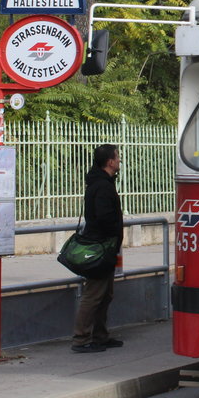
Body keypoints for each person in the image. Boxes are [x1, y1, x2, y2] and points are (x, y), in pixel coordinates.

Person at [72, 144, 124, 353]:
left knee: (105, 294)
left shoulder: (102, 182)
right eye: (117, 157)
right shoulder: (102, 186)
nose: (119, 160)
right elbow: (103, 217)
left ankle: (100, 336)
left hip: (106, 247)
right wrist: (113, 232)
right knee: (94, 295)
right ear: (110, 162)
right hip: (101, 247)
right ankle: (81, 339)